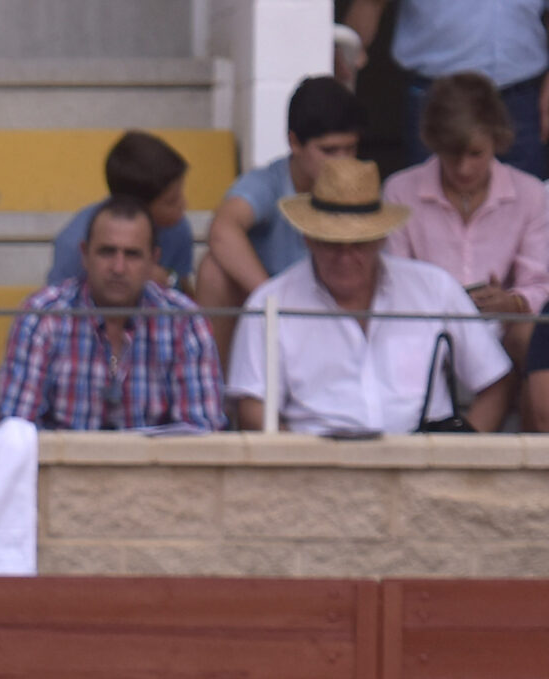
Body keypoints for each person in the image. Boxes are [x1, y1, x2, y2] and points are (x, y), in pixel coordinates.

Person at [227, 155, 514, 434]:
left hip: (424, 463)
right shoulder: (269, 303)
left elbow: (495, 383)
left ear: (381, 238)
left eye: (359, 244)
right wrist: (305, 466)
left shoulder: (434, 288)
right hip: (315, 467)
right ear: (308, 239)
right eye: (333, 244)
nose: (346, 257)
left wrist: (461, 461)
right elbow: (253, 409)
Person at [0, 196, 223, 433]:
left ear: (153, 261)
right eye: (107, 252)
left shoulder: (185, 322)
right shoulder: (42, 316)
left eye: (132, 255)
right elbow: (15, 433)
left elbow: (202, 435)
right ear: (85, 255)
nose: (118, 268)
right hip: (62, 468)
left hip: (156, 470)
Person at [382, 71, 549, 363]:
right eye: (452, 154)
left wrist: (511, 302)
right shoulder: (399, 191)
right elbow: (394, 281)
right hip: (423, 328)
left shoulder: (530, 193)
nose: (463, 168)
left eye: (475, 154)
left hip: (503, 332)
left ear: (497, 140)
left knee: (528, 335)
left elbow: (538, 284)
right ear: (432, 142)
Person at [192, 76, 364, 358]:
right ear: (294, 142)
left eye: (351, 149)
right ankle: (216, 393)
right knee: (213, 270)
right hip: (276, 322)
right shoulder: (269, 182)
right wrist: (273, 300)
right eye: (329, 150)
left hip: (338, 317)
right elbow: (222, 230)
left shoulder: (363, 191)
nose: (342, 162)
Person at [342, 1, 549, 178]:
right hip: (438, 97)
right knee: (429, 206)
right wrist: (342, 59)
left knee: (526, 205)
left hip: (521, 97)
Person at [48, 132, 195, 291]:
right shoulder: (73, 242)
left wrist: (168, 279)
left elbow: (185, 292)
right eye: (171, 201)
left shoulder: (177, 228)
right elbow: (56, 304)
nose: (183, 205)